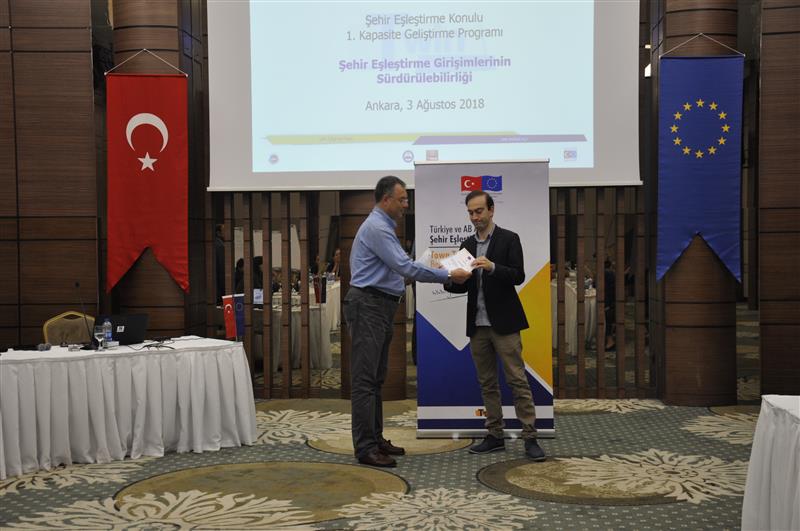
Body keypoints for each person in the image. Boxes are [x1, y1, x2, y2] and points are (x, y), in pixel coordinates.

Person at [344, 176, 471, 468]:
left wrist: (431, 269)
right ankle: (365, 448)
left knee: (375, 379)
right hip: (369, 306)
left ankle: (375, 439)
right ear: (386, 199)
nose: (406, 205)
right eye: (402, 199)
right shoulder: (378, 228)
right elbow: (405, 268)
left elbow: (399, 268)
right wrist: (448, 274)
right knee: (365, 381)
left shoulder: (383, 227)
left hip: (378, 307)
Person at [444, 190, 546, 461]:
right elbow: (459, 286)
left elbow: (518, 275)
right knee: (487, 383)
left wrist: (492, 267)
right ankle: (495, 435)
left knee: (517, 380)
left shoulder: (509, 238)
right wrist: (450, 278)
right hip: (477, 324)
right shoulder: (466, 244)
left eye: (479, 211)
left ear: (491, 210)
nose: (475, 217)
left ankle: (530, 437)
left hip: (504, 323)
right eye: (470, 212)